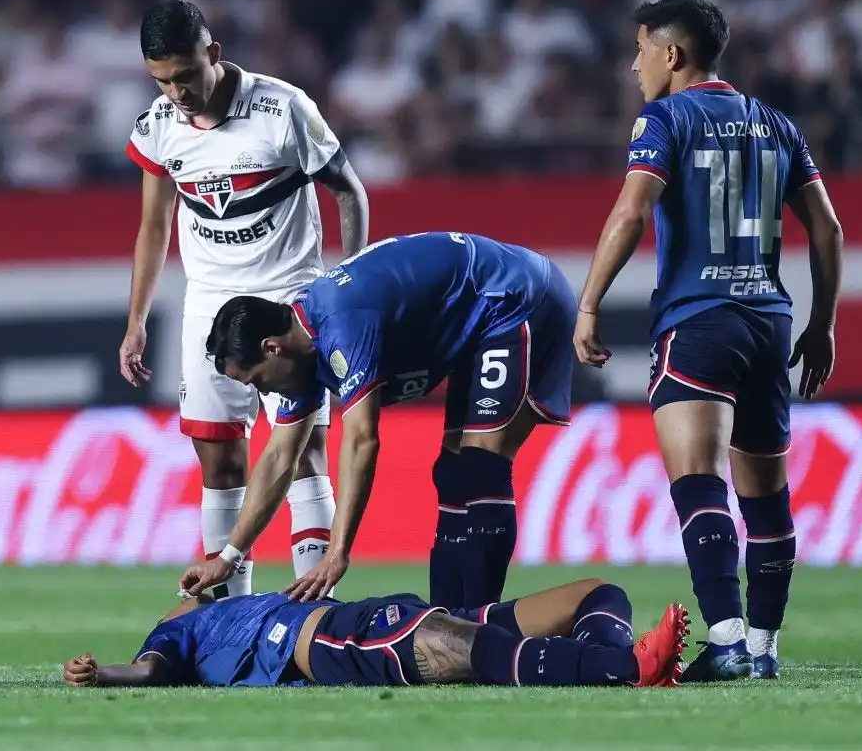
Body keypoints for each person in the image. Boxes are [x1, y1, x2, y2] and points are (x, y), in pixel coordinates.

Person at [572, 0, 842, 681]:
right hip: (769, 321)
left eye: (639, 51)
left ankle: (723, 639)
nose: (634, 67)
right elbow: (830, 230)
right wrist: (823, 324)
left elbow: (632, 210)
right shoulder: (778, 124)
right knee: (766, 497)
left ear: (673, 53)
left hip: (698, 319)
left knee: (698, 482)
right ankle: (763, 649)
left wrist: (589, 303)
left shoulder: (663, 118)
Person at [119, 0, 369, 595]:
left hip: (288, 299)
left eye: (185, 75)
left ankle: (315, 615)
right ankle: (232, 618)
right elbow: (154, 226)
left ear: (213, 54)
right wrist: (136, 321)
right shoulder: (158, 127)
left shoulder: (282, 108)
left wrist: (347, 285)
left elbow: (350, 193)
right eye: (162, 80)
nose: (176, 92)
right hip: (209, 306)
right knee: (219, 463)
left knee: (305, 451)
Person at [184, 231, 574, 609]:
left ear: (271, 348)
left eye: (257, 381)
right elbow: (279, 457)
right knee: (453, 473)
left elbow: (362, 440)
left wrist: (337, 553)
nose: (265, 393)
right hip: (477, 322)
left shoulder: (341, 324)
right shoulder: (302, 349)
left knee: (481, 465)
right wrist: (229, 556)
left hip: (516, 298)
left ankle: (481, 623)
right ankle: (455, 619)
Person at [63, 577, 688, 690]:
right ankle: (622, 668)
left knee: (595, 594)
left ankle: (605, 651)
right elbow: (147, 671)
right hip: (324, 642)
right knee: (453, 647)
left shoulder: (222, 607)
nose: (185, 599)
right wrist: (102, 674)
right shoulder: (176, 637)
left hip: (359, 613)